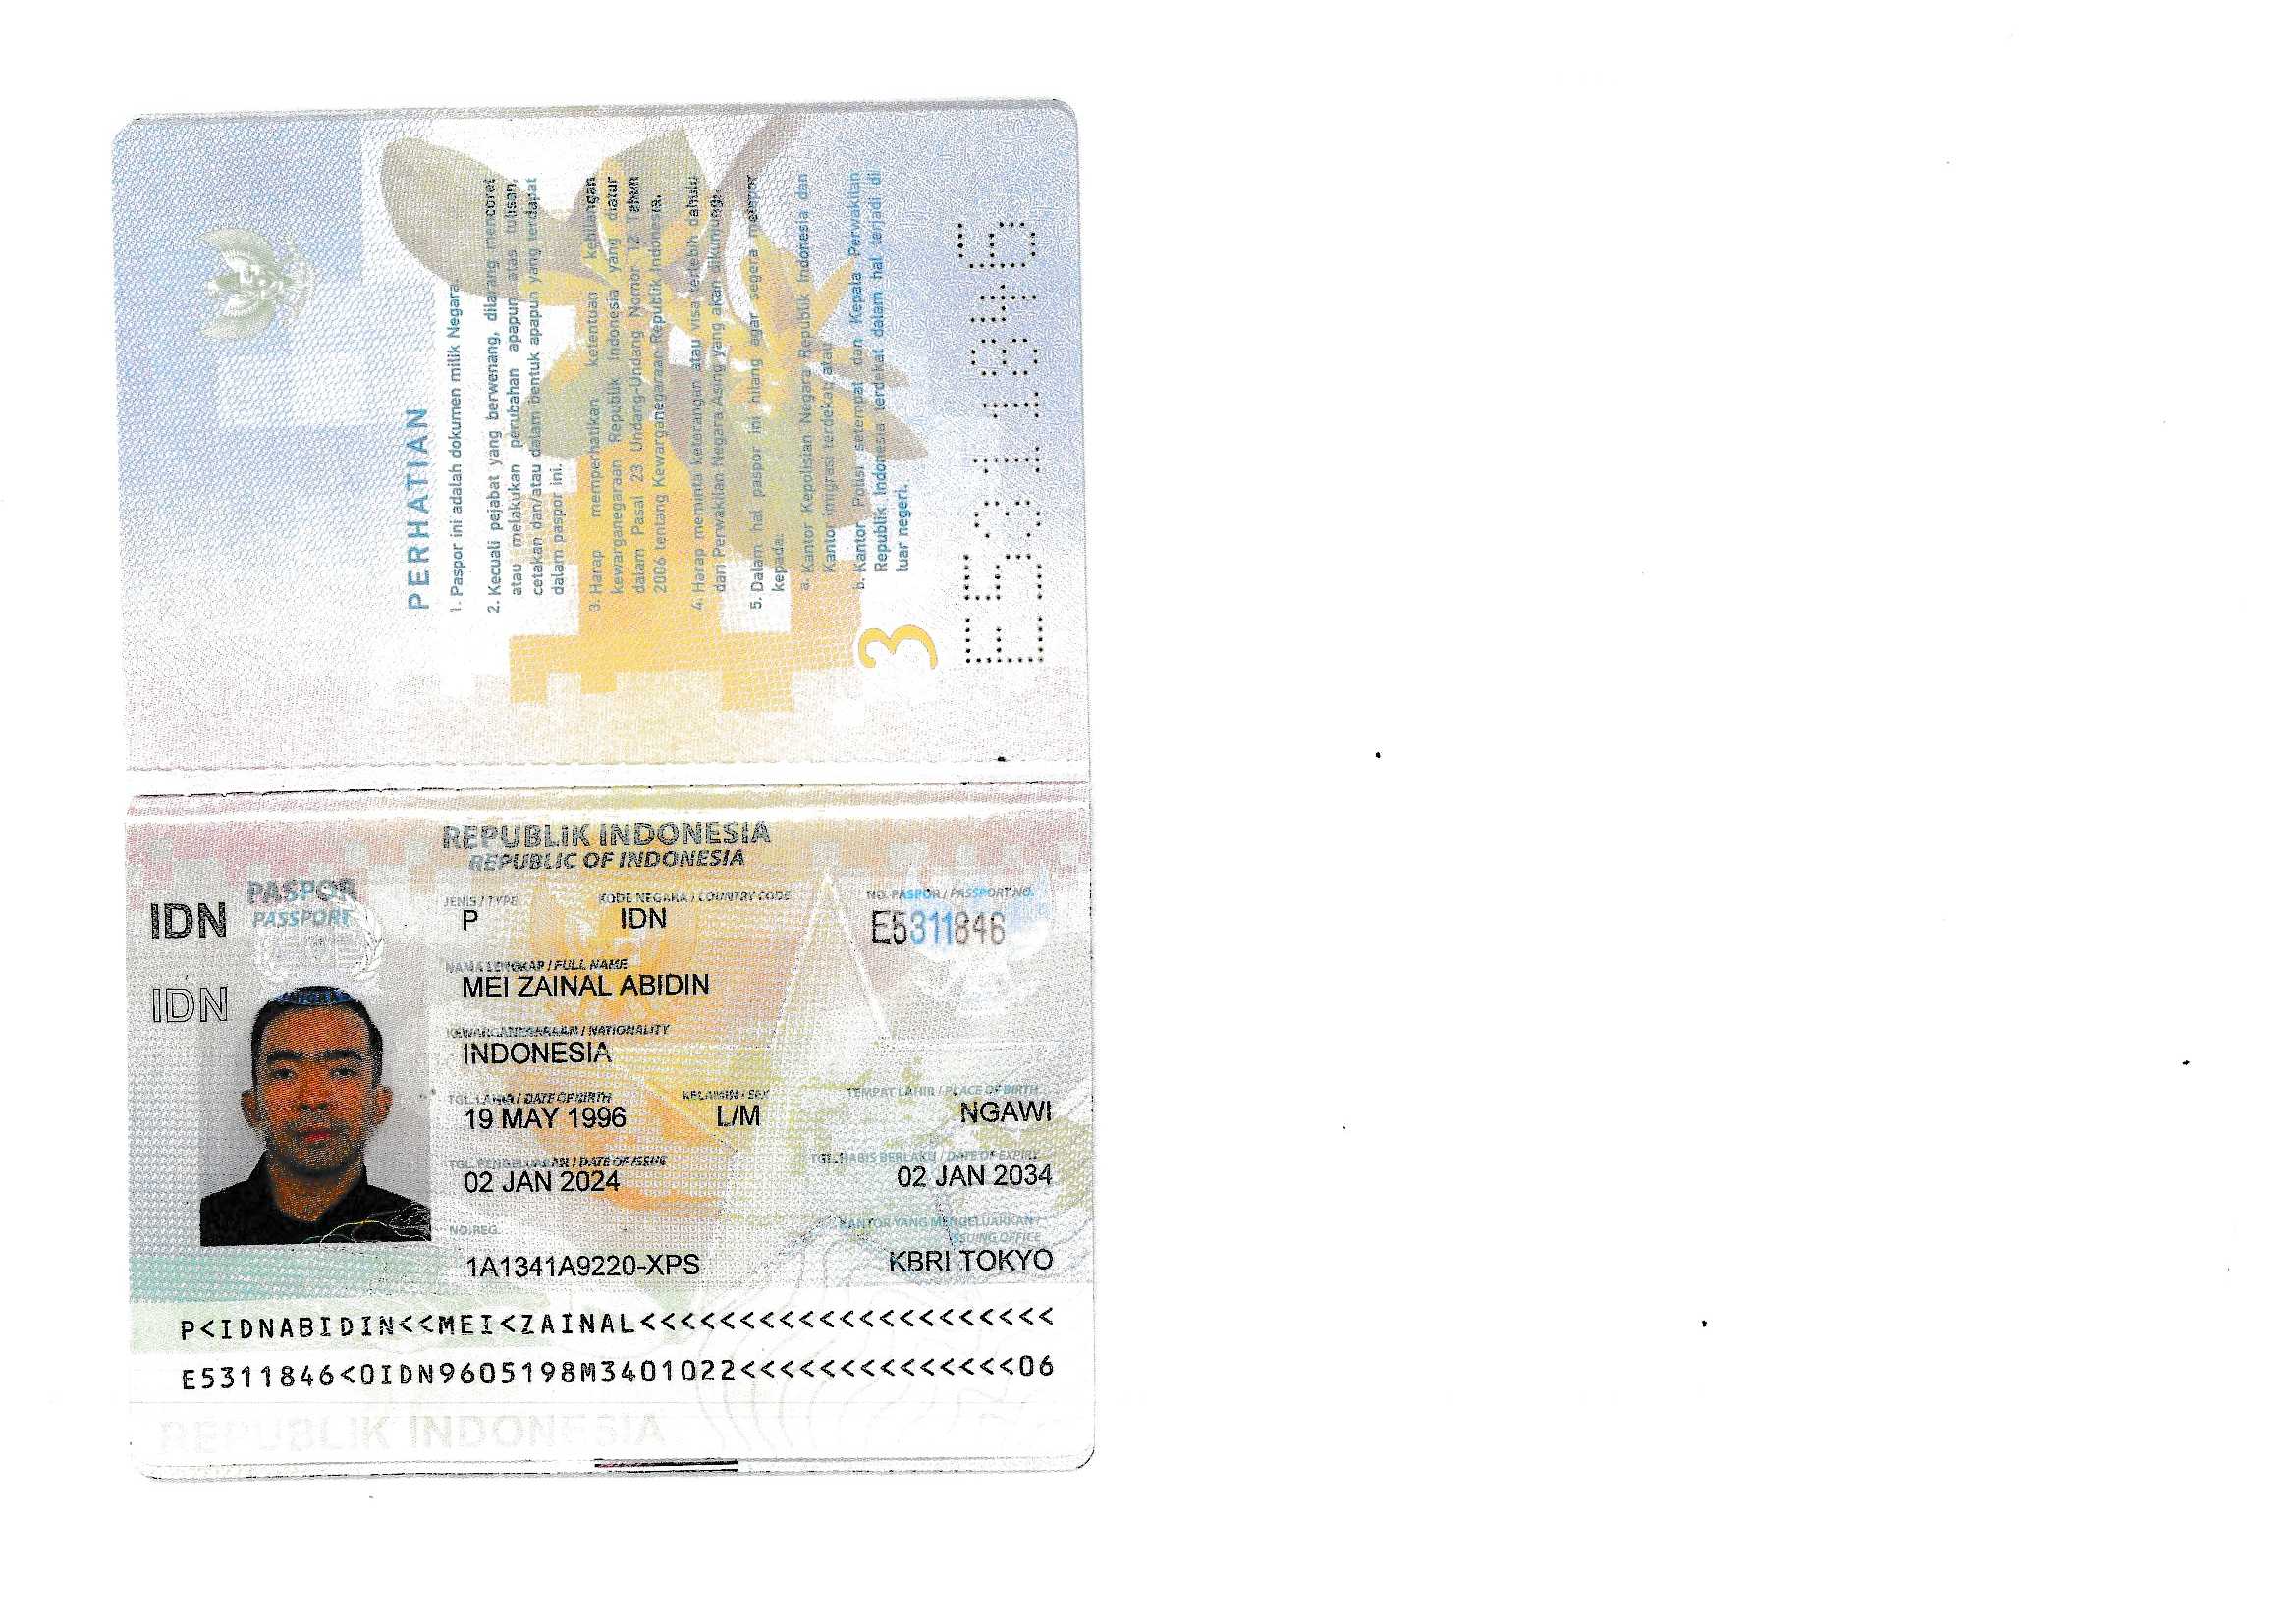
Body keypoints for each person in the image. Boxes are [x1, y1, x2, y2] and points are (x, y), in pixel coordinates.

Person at [199, 986, 429, 1244]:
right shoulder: (198, 1227)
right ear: (252, 1108)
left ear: (379, 1104)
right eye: (285, 1073)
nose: (313, 1099)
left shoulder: (419, 1232)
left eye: (342, 1072)